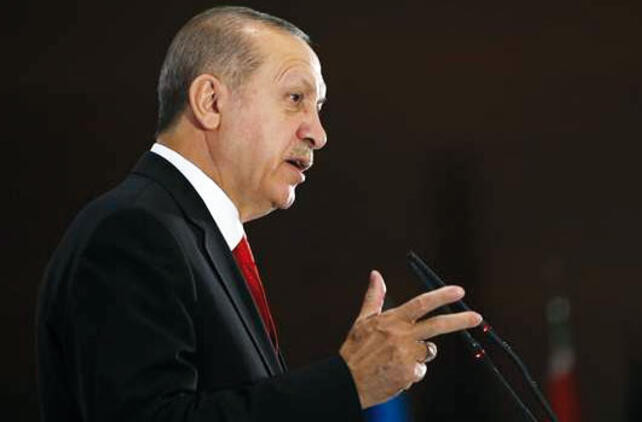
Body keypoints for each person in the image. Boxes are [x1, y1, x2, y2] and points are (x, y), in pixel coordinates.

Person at [36, 6, 482, 421]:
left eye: (317, 108)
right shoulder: (133, 232)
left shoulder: (191, 237)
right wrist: (346, 383)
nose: (319, 134)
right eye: (294, 97)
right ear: (211, 101)